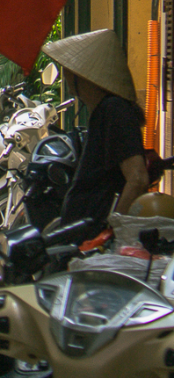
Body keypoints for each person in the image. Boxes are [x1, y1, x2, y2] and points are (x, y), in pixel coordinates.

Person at [44, 28, 149, 228]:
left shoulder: (114, 111)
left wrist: (111, 231)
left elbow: (137, 179)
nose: (64, 76)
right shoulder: (104, 111)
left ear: (80, 75)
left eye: (67, 69)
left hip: (95, 239)